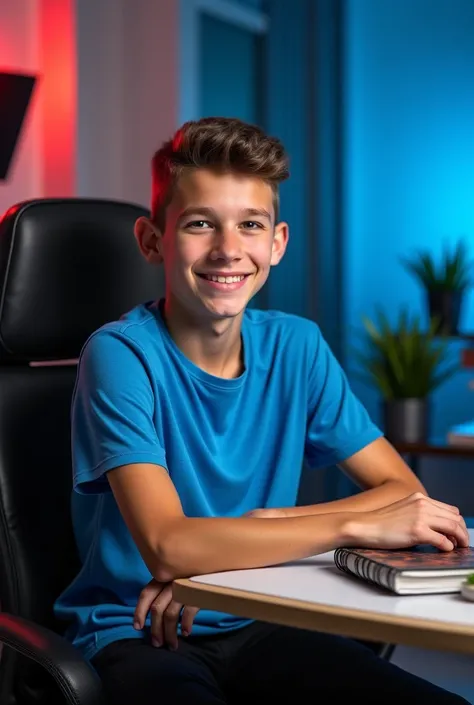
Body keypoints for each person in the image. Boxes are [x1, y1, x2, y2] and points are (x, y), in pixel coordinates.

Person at [54, 117, 469, 704]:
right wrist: (343, 525)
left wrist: (245, 549)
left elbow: (401, 491)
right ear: (153, 240)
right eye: (201, 224)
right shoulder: (120, 354)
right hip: (140, 628)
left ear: (276, 243)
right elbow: (168, 547)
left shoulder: (296, 346)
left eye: (250, 224)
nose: (229, 250)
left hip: (261, 613)